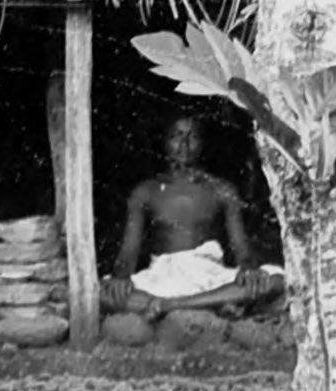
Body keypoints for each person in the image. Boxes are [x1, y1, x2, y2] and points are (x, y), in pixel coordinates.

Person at [104, 114, 283, 317]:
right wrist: (120, 277)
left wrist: (249, 269)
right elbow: (130, 249)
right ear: (164, 141)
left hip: (208, 272)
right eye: (176, 136)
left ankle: (168, 306)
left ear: (203, 143)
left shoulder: (221, 189)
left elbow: (240, 247)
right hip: (163, 275)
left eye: (192, 137)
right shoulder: (146, 191)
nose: (184, 144)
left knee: (276, 280)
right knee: (100, 290)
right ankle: (208, 305)